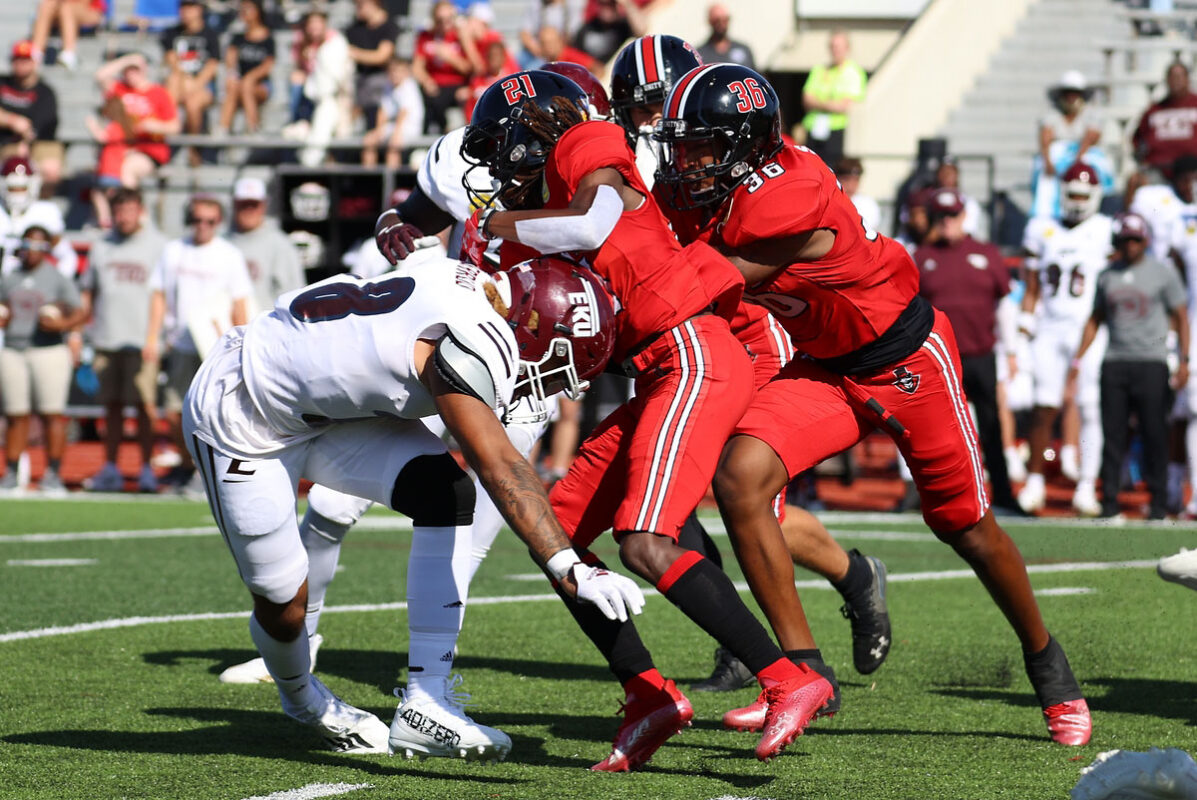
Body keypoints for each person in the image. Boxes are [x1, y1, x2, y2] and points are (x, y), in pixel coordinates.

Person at [655, 63, 1092, 746]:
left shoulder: (787, 191)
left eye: (702, 146)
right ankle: (800, 674)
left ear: (745, 144)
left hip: (906, 359)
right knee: (740, 476)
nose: (687, 162)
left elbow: (686, 283)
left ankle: (1047, 663)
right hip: (827, 368)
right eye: (683, 146)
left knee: (964, 527)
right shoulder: (721, 189)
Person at [462, 69, 836, 768]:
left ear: (530, 125)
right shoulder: (531, 211)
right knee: (559, 535)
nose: (494, 166)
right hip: (657, 368)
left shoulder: (585, 139)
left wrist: (492, 224)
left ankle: (790, 677)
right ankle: (647, 693)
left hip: (693, 351)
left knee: (643, 540)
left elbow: (590, 222)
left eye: (499, 145)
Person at [216, 61, 616, 688]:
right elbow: (402, 221)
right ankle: (306, 637)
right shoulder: (476, 158)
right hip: (455, 340)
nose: (488, 156)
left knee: (472, 523)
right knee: (330, 505)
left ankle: (431, 683)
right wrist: (395, 231)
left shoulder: (600, 188)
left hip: (530, 363)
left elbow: (602, 260)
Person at [184, 253, 643, 756]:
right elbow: (499, 465)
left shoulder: (460, 277)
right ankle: (302, 700)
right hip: (245, 411)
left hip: (328, 411)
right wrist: (567, 564)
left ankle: (427, 701)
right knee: (284, 606)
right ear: (535, 332)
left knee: (444, 491)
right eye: (564, 365)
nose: (561, 384)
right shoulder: (475, 342)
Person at [609, 34, 891, 693]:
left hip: (750, 336)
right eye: (637, 110)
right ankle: (758, 634)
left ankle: (832, 597)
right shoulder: (672, 163)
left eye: (658, 107)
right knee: (674, 494)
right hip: (700, 335)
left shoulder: (745, 165)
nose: (649, 126)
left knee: (743, 495)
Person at [1070, 212, 1189, 519]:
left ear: (1145, 240)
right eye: (1126, 240)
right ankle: (1109, 503)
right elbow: (1095, 320)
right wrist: (1077, 357)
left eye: (1136, 239)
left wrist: (1184, 360)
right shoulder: (1107, 275)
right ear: (1118, 242)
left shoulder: (1162, 273)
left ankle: (1159, 505)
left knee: (1154, 434)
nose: (1131, 245)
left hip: (1151, 363)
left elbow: (1181, 316)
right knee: (1113, 435)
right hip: (1115, 363)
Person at [913, 188, 1020, 513]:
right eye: (940, 217)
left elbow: (1004, 305)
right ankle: (935, 498)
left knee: (991, 428)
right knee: (936, 432)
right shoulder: (922, 257)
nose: (946, 222)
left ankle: (1002, 495)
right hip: (940, 359)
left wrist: (1012, 350)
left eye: (951, 216)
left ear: (963, 216)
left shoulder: (986, 253)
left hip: (980, 354)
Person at [1017, 163, 1112, 517]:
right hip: (1051, 327)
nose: (1076, 202)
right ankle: (1035, 480)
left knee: (1089, 406)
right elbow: (1031, 287)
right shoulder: (1041, 228)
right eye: (1071, 194)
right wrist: (1024, 332)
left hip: (1090, 327)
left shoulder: (1105, 230)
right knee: (1043, 407)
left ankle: (1086, 485)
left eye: (1083, 196)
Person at [144, 195, 251, 493]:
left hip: (216, 347)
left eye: (210, 221)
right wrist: (152, 336)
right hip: (180, 343)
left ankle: (209, 472)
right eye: (197, 220)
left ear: (218, 223)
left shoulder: (229, 254)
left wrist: (242, 344)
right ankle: (189, 465)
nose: (202, 226)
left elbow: (240, 301)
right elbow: (159, 295)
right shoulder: (173, 251)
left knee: (215, 413)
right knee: (174, 411)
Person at [80, 187, 166, 493]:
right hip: (107, 337)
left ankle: (146, 467)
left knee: (144, 407)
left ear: (140, 210)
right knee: (112, 408)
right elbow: (89, 292)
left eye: (129, 210)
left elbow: (164, 294)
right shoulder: (101, 245)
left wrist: (155, 337)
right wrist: (81, 332)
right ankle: (112, 467)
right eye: (119, 211)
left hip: (142, 339)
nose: (124, 217)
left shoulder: (158, 246)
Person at [0, 222, 86, 493]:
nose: (32, 250)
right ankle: (12, 472)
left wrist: (62, 325)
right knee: (16, 414)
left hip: (48, 349)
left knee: (51, 415)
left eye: (38, 245)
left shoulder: (57, 277)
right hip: (14, 348)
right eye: (27, 244)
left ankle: (53, 473)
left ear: (47, 249)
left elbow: (80, 311)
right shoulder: (10, 277)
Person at [88, 52, 179, 230]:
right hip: (120, 148)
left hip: (149, 150)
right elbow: (100, 76)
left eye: (136, 69)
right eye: (128, 70)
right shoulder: (120, 90)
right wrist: (127, 60)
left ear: (145, 70)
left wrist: (154, 126)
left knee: (127, 169)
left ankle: (137, 217)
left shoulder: (159, 93)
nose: (132, 73)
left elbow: (174, 126)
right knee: (100, 183)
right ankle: (108, 222)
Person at [228, 178, 305, 314]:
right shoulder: (222, 242)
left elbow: (295, 297)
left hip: (262, 330)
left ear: (264, 206)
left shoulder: (281, 245)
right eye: (243, 204)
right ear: (234, 204)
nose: (249, 210)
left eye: (254, 204)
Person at [160, 0, 221, 166]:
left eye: (190, 7)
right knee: (173, 81)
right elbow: (171, 59)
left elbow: (213, 65)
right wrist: (186, 79)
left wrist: (196, 83)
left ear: (199, 9)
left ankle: (194, 148)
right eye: (183, 7)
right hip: (180, 81)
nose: (185, 11)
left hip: (202, 85)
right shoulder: (172, 32)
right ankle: (165, 138)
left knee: (193, 103)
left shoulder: (210, 34)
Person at [0, 158, 77, 281]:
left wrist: (52, 286)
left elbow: (67, 257)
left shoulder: (46, 212)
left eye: (22, 188)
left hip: (34, 286)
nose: (17, 194)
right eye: (12, 188)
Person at [0, 41, 60, 194]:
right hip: (5, 142)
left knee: (50, 169)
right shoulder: (3, 84)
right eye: (17, 59)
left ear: (35, 62)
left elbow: (42, 124)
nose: (21, 64)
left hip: (39, 143)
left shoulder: (45, 92)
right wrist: (11, 120)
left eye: (25, 60)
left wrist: (25, 140)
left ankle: (40, 203)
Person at [801, 29, 867, 168]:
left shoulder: (853, 72)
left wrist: (818, 102)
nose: (835, 50)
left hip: (836, 131)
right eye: (832, 46)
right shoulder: (819, 70)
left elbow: (844, 106)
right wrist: (830, 103)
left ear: (847, 48)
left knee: (832, 169)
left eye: (838, 46)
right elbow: (806, 99)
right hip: (814, 129)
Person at [412, 1, 472, 135]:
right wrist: (426, 80)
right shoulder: (425, 37)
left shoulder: (460, 37)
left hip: (456, 83)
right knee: (427, 97)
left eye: (448, 19)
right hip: (435, 84)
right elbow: (417, 66)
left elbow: (470, 68)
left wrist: (450, 58)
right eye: (440, 20)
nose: (445, 24)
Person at [217, 0, 276, 135]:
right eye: (242, 10)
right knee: (234, 85)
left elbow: (268, 66)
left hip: (262, 85)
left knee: (246, 85)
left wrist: (251, 77)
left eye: (248, 9)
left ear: (257, 11)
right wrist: (232, 73)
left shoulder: (268, 38)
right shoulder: (238, 38)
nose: (244, 13)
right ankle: (223, 127)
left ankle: (253, 126)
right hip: (241, 84)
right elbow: (230, 60)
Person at [1132, 61, 1197, 180]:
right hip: (1159, 170)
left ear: (1188, 79)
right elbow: (1137, 139)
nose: (1175, 81)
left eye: (1179, 76)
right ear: (1166, 80)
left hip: (1192, 169)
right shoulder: (1154, 110)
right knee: (1136, 181)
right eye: (1172, 77)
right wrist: (1143, 160)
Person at [361, 57, 424, 168]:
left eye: (399, 71)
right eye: (393, 71)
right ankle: (368, 181)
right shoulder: (388, 86)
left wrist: (397, 132)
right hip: (394, 126)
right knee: (369, 140)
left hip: (409, 127)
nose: (395, 74)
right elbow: (383, 111)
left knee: (393, 145)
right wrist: (379, 129)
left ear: (405, 72)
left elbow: (404, 112)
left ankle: (392, 181)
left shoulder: (409, 86)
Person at [345, 0, 399, 127]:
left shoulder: (389, 26)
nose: (357, 8)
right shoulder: (354, 28)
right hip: (359, 79)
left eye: (360, 5)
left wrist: (355, 54)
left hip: (381, 81)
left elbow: (382, 56)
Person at [29, 0, 106, 71]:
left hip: (91, 11)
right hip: (62, 11)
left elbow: (83, 3)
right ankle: (36, 53)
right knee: (46, 6)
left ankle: (69, 53)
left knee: (67, 8)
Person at [573, 0, 646, 65]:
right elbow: (574, 57)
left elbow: (641, 31)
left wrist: (628, 4)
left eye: (611, 3)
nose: (607, 8)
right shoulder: (586, 29)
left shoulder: (623, 26)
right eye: (602, 4)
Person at [519, 0, 585, 66]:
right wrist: (541, 51)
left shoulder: (573, 4)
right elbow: (524, 34)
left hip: (564, 51)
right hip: (538, 54)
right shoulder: (535, 4)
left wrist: (557, 50)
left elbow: (573, 35)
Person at [697, 3, 755, 69]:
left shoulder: (744, 50)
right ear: (710, 21)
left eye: (725, 20)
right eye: (717, 20)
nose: (721, 24)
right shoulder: (700, 54)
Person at [835, 157, 880, 234]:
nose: (851, 185)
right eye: (846, 179)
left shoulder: (868, 205)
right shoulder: (830, 201)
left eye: (856, 180)